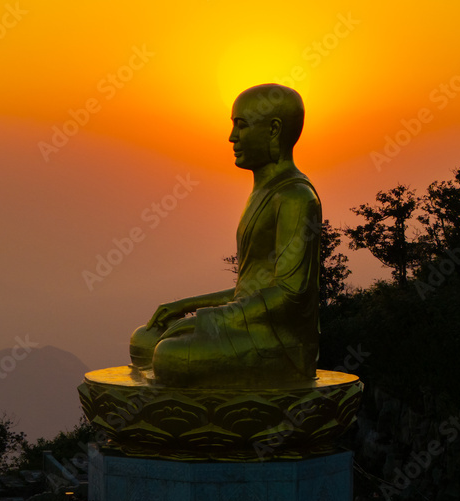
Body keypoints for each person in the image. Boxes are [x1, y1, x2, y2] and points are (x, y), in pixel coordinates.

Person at [129, 84, 321, 387]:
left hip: (279, 342)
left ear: (273, 130)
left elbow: (288, 295)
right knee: (143, 341)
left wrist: (209, 320)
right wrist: (182, 307)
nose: (232, 138)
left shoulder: (296, 197)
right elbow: (249, 288)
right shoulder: (262, 192)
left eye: (241, 127)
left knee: (168, 355)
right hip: (248, 323)